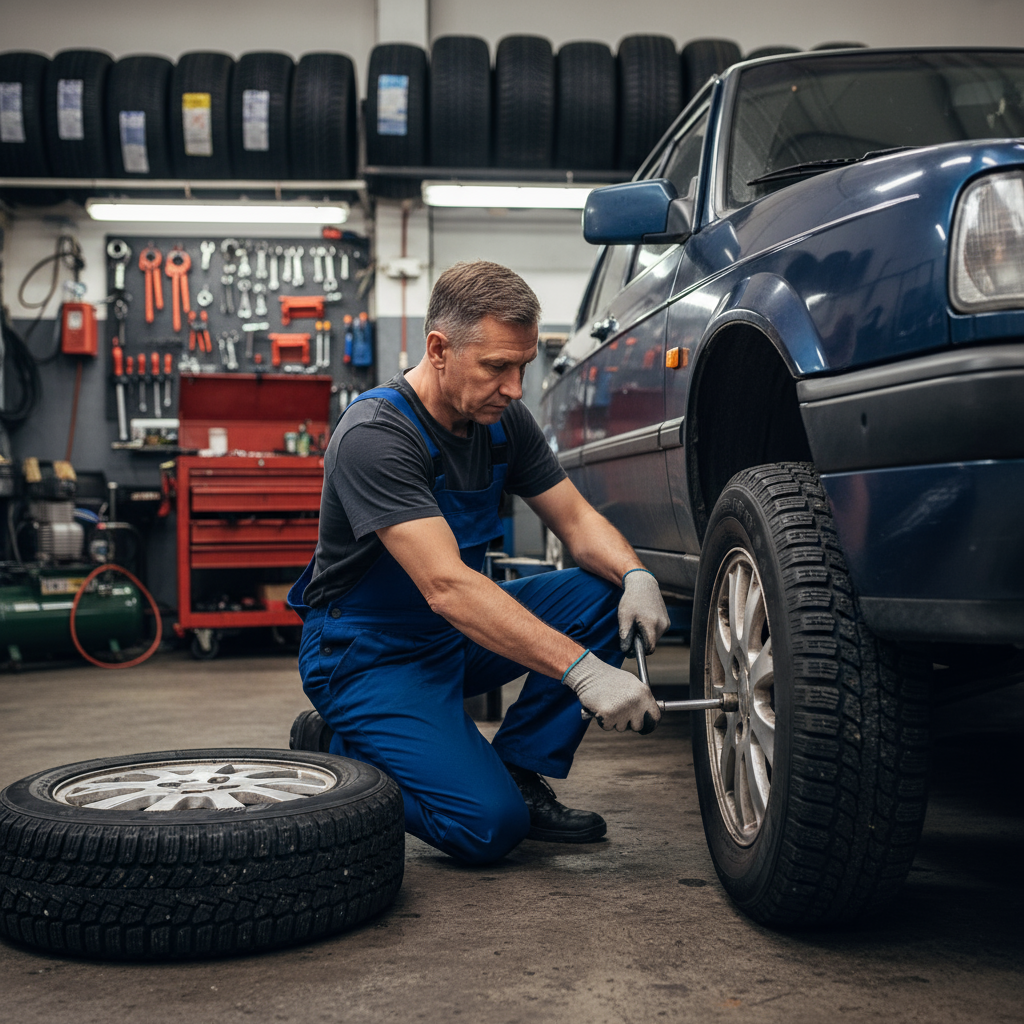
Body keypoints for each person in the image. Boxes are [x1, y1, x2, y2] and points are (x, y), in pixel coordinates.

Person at [288, 260, 670, 865]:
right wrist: (584, 672)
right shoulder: (376, 434)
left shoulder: (501, 421)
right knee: (488, 827)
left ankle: (519, 769)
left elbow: (576, 521)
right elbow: (446, 585)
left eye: (523, 366)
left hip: (453, 636)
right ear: (439, 350)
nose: (516, 388)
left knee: (602, 594)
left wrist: (636, 574)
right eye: (497, 367)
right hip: (369, 654)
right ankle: (334, 742)